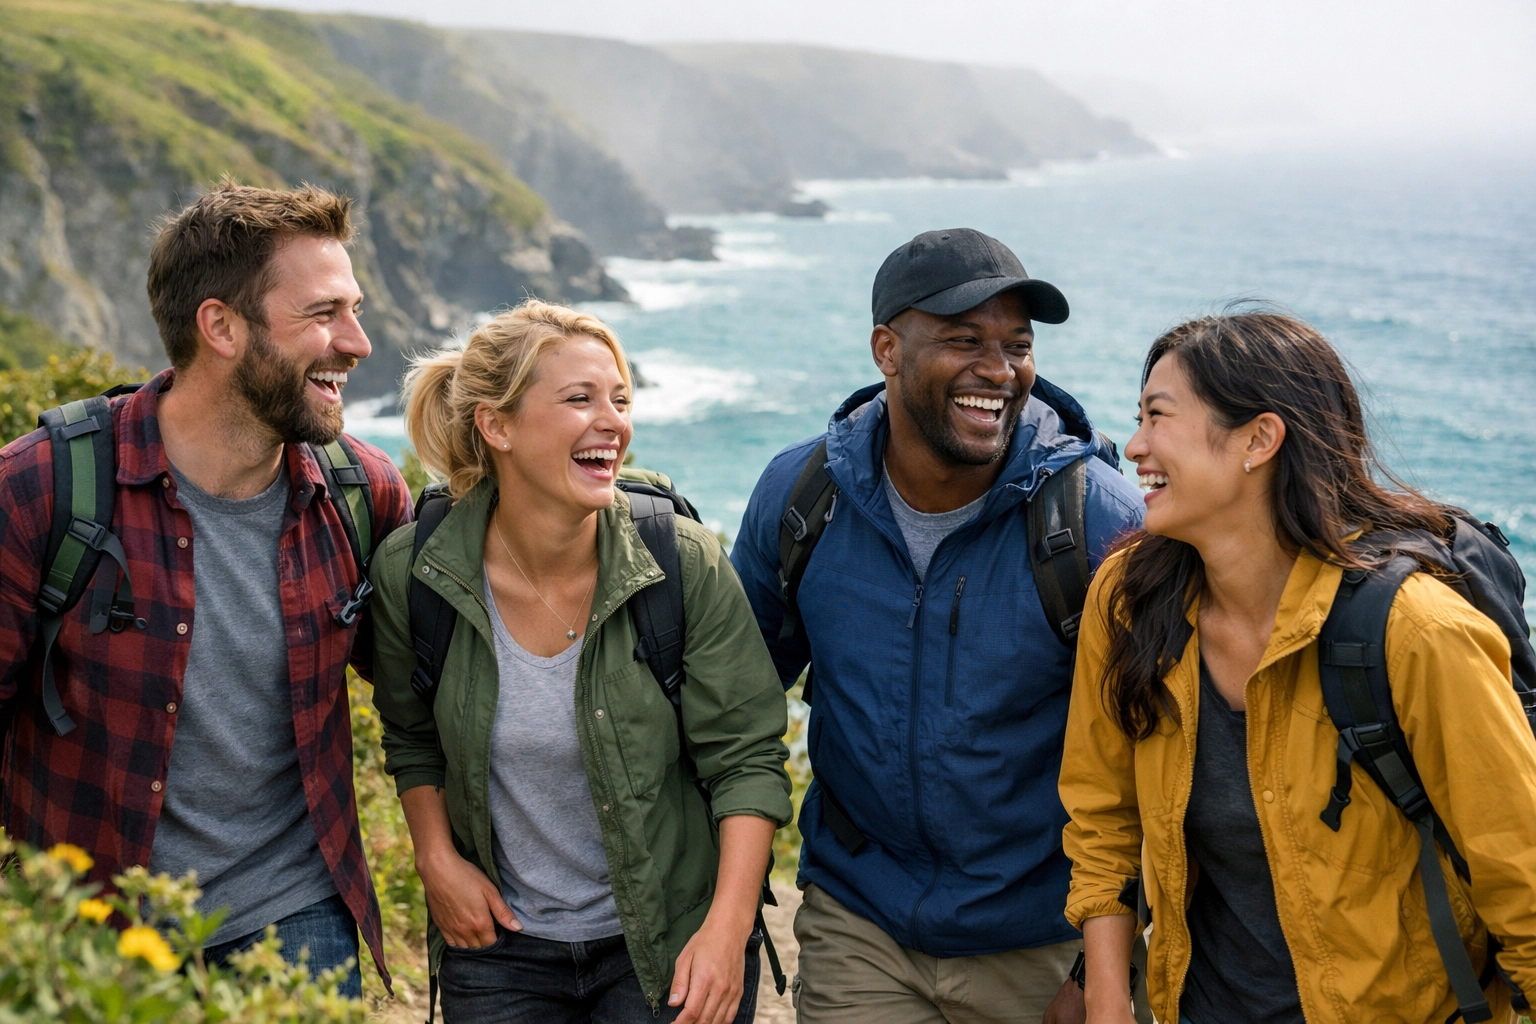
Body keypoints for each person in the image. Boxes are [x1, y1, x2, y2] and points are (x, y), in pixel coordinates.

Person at [1060, 311, 1536, 1024]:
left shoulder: (1417, 633)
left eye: (1158, 418)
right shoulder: (1129, 601)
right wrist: (1106, 1002)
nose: (1134, 447)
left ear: (1259, 439)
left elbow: (1522, 880)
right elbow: (1103, 816)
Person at [0, 181, 412, 993]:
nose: (358, 342)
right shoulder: (42, 489)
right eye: (323, 313)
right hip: (88, 927)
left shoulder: (364, 495)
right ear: (220, 325)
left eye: (354, 309)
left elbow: (431, 698)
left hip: (295, 915)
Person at [730, 228, 1146, 1023]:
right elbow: (735, 702)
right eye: (964, 341)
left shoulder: (1099, 523)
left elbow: (1162, 764)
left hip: (1044, 940)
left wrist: (1104, 974)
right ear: (888, 349)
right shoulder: (802, 495)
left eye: (1017, 345)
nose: (999, 370)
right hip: (862, 923)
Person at [367, 300, 793, 1024]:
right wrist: (435, 860)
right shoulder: (416, 573)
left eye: (620, 400)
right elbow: (412, 739)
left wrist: (725, 933)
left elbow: (746, 759)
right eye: (580, 399)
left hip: (667, 939)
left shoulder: (680, 560)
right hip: (498, 947)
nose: (613, 422)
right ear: (496, 426)